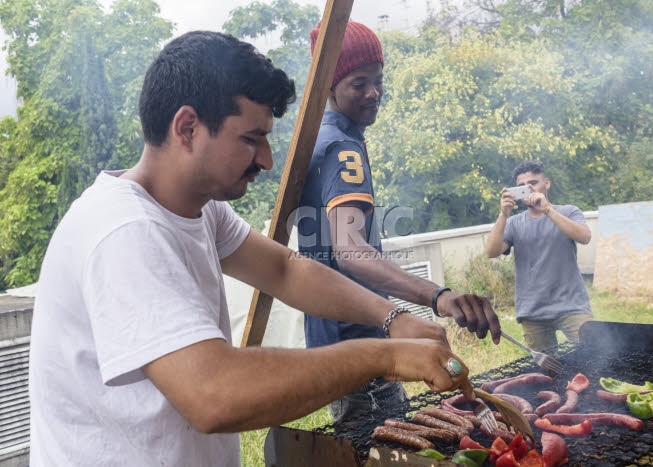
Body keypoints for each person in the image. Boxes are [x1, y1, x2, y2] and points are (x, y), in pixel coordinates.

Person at [28, 31, 483, 467]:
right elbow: (214, 395)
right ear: (187, 127)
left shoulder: (198, 207)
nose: (266, 159)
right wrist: (384, 355)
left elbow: (285, 270)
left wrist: (392, 317)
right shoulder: (124, 231)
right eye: (250, 138)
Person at [297, 21, 501, 426]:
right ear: (330, 86)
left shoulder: (315, 138)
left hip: (330, 338)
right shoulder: (342, 148)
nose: (374, 93)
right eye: (359, 83)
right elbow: (351, 252)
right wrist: (440, 296)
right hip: (359, 342)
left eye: (378, 80)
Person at [485, 160, 593, 352]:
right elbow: (491, 252)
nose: (528, 189)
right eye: (521, 187)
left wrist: (547, 210)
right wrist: (503, 214)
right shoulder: (514, 223)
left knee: (593, 357)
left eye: (533, 183)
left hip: (573, 306)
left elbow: (584, 237)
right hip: (533, 312)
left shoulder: (569, 211)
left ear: (547, 183)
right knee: (547, 373)